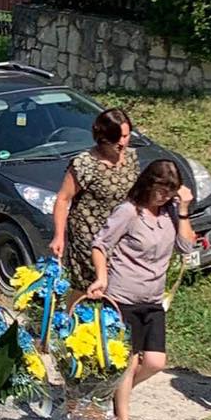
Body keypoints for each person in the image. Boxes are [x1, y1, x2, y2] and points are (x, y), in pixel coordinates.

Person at [89, 159, 195, 420]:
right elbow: (100, 244)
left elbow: (186, 247)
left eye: (170, 192)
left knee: (155, 362)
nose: (164, 197)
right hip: (123, 297)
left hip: (153, 299)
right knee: (128, 361)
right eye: (161, 190)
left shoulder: (171, 212)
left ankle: (112, 394)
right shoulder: (129, 212)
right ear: (148, 185)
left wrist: (183, 210)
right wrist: (101, 277)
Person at [49, 108, 140, 291]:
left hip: (121, 234)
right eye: (116, 137)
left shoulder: (131, 157)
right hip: (90, 237)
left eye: (126, 136)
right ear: (103, 137)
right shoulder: (85, 164)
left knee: (121, 287)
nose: (122, 142)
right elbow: (63, 199)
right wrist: (59, 236)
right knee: (88, 289)